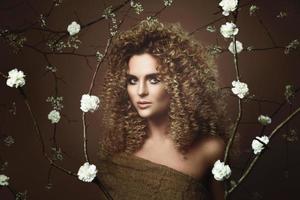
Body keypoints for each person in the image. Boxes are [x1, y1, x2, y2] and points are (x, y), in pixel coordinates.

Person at [97, 19, 230, 200]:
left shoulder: (210, 150)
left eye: (153, 79)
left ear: (179, 84)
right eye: (132, 80)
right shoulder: (117, 151)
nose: (141, 92)